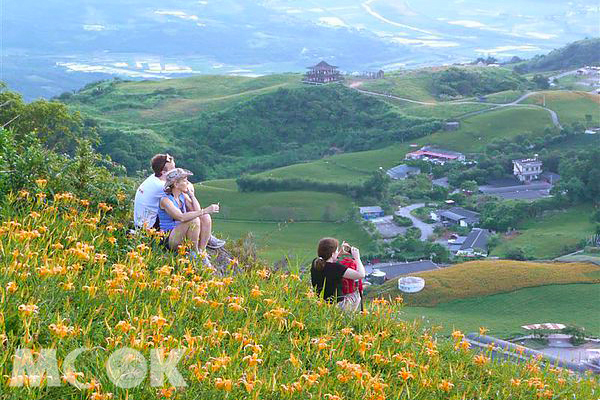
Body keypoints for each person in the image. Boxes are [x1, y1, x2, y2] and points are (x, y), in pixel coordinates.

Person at [133, 153, 225, 249]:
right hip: (150, 227)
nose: (175, 170)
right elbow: (186, 206)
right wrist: (188, 190)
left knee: (197, 212)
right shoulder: (161, 187)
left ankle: (205, 236)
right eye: (172, 169)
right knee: (192, 214)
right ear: (164, 172)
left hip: (144, 222)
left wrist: (189, 193)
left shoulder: (155, 178)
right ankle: (204, 236)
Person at [158, 168, 220, 266]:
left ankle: (202, 252)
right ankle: (194, 253)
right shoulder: (165, 200)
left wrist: (191, 195)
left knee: (205, 217)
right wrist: (205, 210)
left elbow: (197, 210)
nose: (187, 182)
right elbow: (181, 217)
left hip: (180, 232)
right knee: (194, 220)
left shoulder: (182, 196)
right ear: (176, 184)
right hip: (169, 237)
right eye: (184, 180)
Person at [310, 237, 365, 312]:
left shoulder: (316, 262)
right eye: (336, 251)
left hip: (321, 302)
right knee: (357, 293)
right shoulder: (336, 268)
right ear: (332, 254)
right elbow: (360, 275)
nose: (337, 252)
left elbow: (329, 262)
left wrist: (338, 254)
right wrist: (357, 258)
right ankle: (349, 316)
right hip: (337, 306)